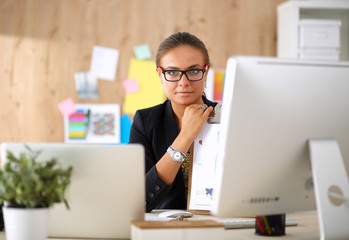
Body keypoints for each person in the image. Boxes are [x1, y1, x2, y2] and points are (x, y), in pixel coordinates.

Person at [129, 32, 217, 212]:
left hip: (221, 224)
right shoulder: (145, 122)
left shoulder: (228, 116)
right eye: (173, 72)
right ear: (160, 74)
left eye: (193, 71)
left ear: (205, 71)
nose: (183, 82)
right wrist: (184, 138)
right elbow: (137, 201)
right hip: (165, 228)